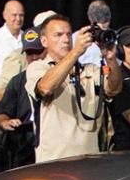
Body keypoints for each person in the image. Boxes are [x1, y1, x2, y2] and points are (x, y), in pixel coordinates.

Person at [26, 10, 123, 162]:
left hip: (89, 161)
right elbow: (45, 88)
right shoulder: (38, 67)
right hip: (53, 163)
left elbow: (114, 88)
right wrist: (76, 52)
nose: (65, 40)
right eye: (58, 35)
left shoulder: (88, 69)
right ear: (44, 41)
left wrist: (111, 59)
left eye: (68, 34)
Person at [0, 26, 45, 173]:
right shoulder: (17, 81)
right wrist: (5, 122)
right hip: (25, 145)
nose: (34, 57)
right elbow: (3, 113)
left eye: (38, 52)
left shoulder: (59, 77)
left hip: (51, 143)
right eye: (29, 53)